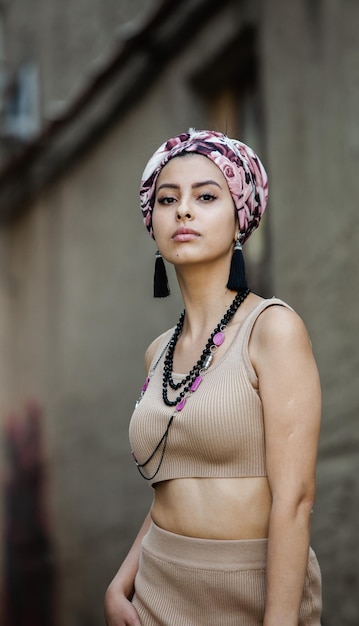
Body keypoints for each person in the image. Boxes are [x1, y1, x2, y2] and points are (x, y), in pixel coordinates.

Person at [104, 129, 322, 626]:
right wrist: (121, 582)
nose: (183, 211)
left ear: (240, 217)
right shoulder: (157, 352)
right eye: (167, 199)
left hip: (249, 590)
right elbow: (174, 485)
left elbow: (295, 498)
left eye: (206, 196)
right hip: (157, 590)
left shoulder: (272, 330)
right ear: (152, 220)